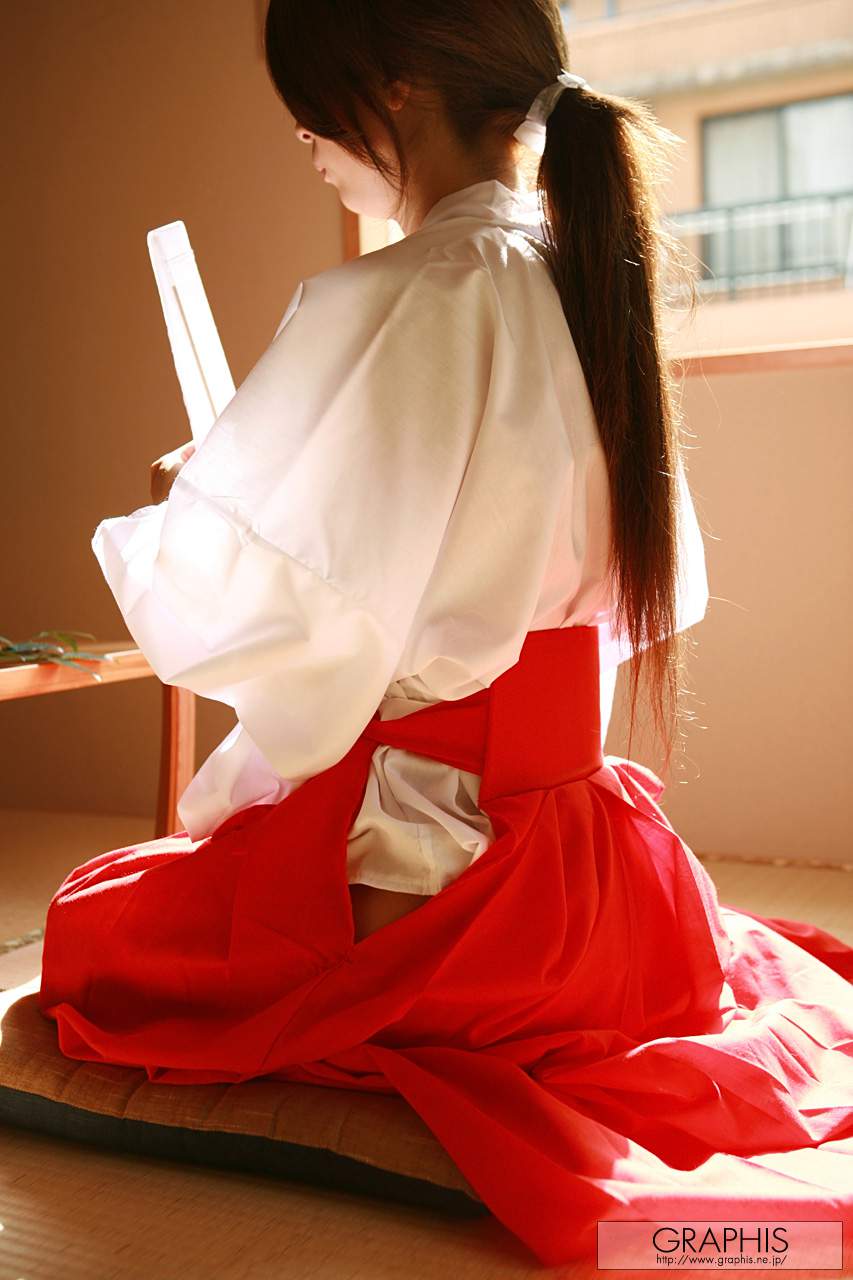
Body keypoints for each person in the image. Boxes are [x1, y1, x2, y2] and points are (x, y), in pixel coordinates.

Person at [38, 0, 853, 1268]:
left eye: (311, 113)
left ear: (393, 86)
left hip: (455, 891)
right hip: (605, 882)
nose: (308, 146)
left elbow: (278, 602)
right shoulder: (577, 266)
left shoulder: (408, 289)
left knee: (92, 935)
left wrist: (183, 510)